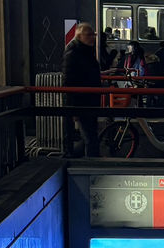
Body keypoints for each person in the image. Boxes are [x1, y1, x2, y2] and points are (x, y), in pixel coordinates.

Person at [62, 22, 102, 157]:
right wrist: (73, 107)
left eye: (93, 34)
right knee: (90, 137)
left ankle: (82, 159)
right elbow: (69, 82)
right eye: (89, 35)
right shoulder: (74, 53)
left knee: (89, 136)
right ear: (80, 36)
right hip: (82, 101)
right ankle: (91, 164)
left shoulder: (83, 51)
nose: (93, 37)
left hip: (88, 100)